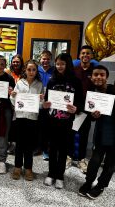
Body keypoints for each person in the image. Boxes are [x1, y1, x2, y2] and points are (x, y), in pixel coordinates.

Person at [78, 65, 115, 199]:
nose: (98, 77)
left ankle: (100, 186)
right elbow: (89, 115)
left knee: (110, 164)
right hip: (100, 135)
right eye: (96, 75)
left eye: (102, 75)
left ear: (106, 77)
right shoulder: (92, 93)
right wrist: (92, 116)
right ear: (91, 77)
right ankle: (88, 182)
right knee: (94, 161)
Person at [43, 53, 83, 189]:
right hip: (52, 121)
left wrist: (75, 109)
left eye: (63, 64)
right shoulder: (52, 80)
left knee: (63, 149)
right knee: (52, 148)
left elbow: (80, 102)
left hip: (67, 122)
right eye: (58, 64)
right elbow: (47, 100)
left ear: (68, 65)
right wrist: (45, 104)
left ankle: (60, 175)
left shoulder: (76, 82)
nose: (60, 66)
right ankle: (51, 173)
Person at [10, 60, 43, 181]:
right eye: (29, 69)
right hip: (20, 117)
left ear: (36, 71)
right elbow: (13, 101)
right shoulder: (19, 83)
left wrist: (41, 100)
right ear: (25, 70)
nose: (31, 72)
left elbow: (41, 104)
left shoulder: (39, 84)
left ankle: (28, 168)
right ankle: (17, 167)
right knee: (19, 144)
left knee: (29, 145)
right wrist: (13, 96)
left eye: (34, 69)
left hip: (32, 118)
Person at [67, 45, 96, 173]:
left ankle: (81, 159)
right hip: (73, 107)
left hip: (87, 108)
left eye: (88, 53)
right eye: (83, 53)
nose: (85, 55)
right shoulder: (73, 70)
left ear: (91, 56)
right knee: (70, 133)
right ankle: (68, 157)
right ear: (79, 56)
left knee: (84, 134)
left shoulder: (95, 71)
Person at [38, 50, 55, 160]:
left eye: (48, 59)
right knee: (36, 126)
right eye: (44, 58)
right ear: (40, 59)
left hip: (49, 103)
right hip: (37, 102)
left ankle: (45, 150)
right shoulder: (36, 69)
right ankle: (37, 148)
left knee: (47, 128)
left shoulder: (54, 71)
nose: (46, 61)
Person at [7, 54, 24, 155]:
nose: (16, 63)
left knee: (17, 124)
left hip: (21, 103)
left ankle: (17, 144)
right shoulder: (8, 73)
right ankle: (10, 143)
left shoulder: (24, 74)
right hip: (9, 102)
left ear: (21, 63)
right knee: (10, 124)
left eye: (18, 62)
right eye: (14, 61)